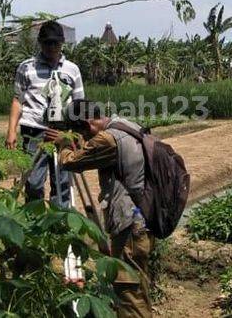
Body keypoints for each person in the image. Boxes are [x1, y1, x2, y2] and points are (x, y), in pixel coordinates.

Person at [45, 100, 154, 318]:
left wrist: (65, 143)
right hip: (142, 219)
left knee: (129, 292)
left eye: (82, 132)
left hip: (129, 225)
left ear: (87, 123)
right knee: (137, 287)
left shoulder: (107, 139)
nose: (84, 139)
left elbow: (70, 162)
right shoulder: (125, 125)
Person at [6, 20, 84, 208]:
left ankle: (60, 223)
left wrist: (78, 135)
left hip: (63, 132)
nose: (51, 47)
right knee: (32, 181)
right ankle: (35, 220)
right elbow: (18, 100)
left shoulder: (72, 69)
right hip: (34, 131)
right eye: (47, 43)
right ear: (40, 43)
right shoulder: (26, 67)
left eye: (55, 43)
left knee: (62, 179)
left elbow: (79, 104)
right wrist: (11, 131)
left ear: (62, 43)